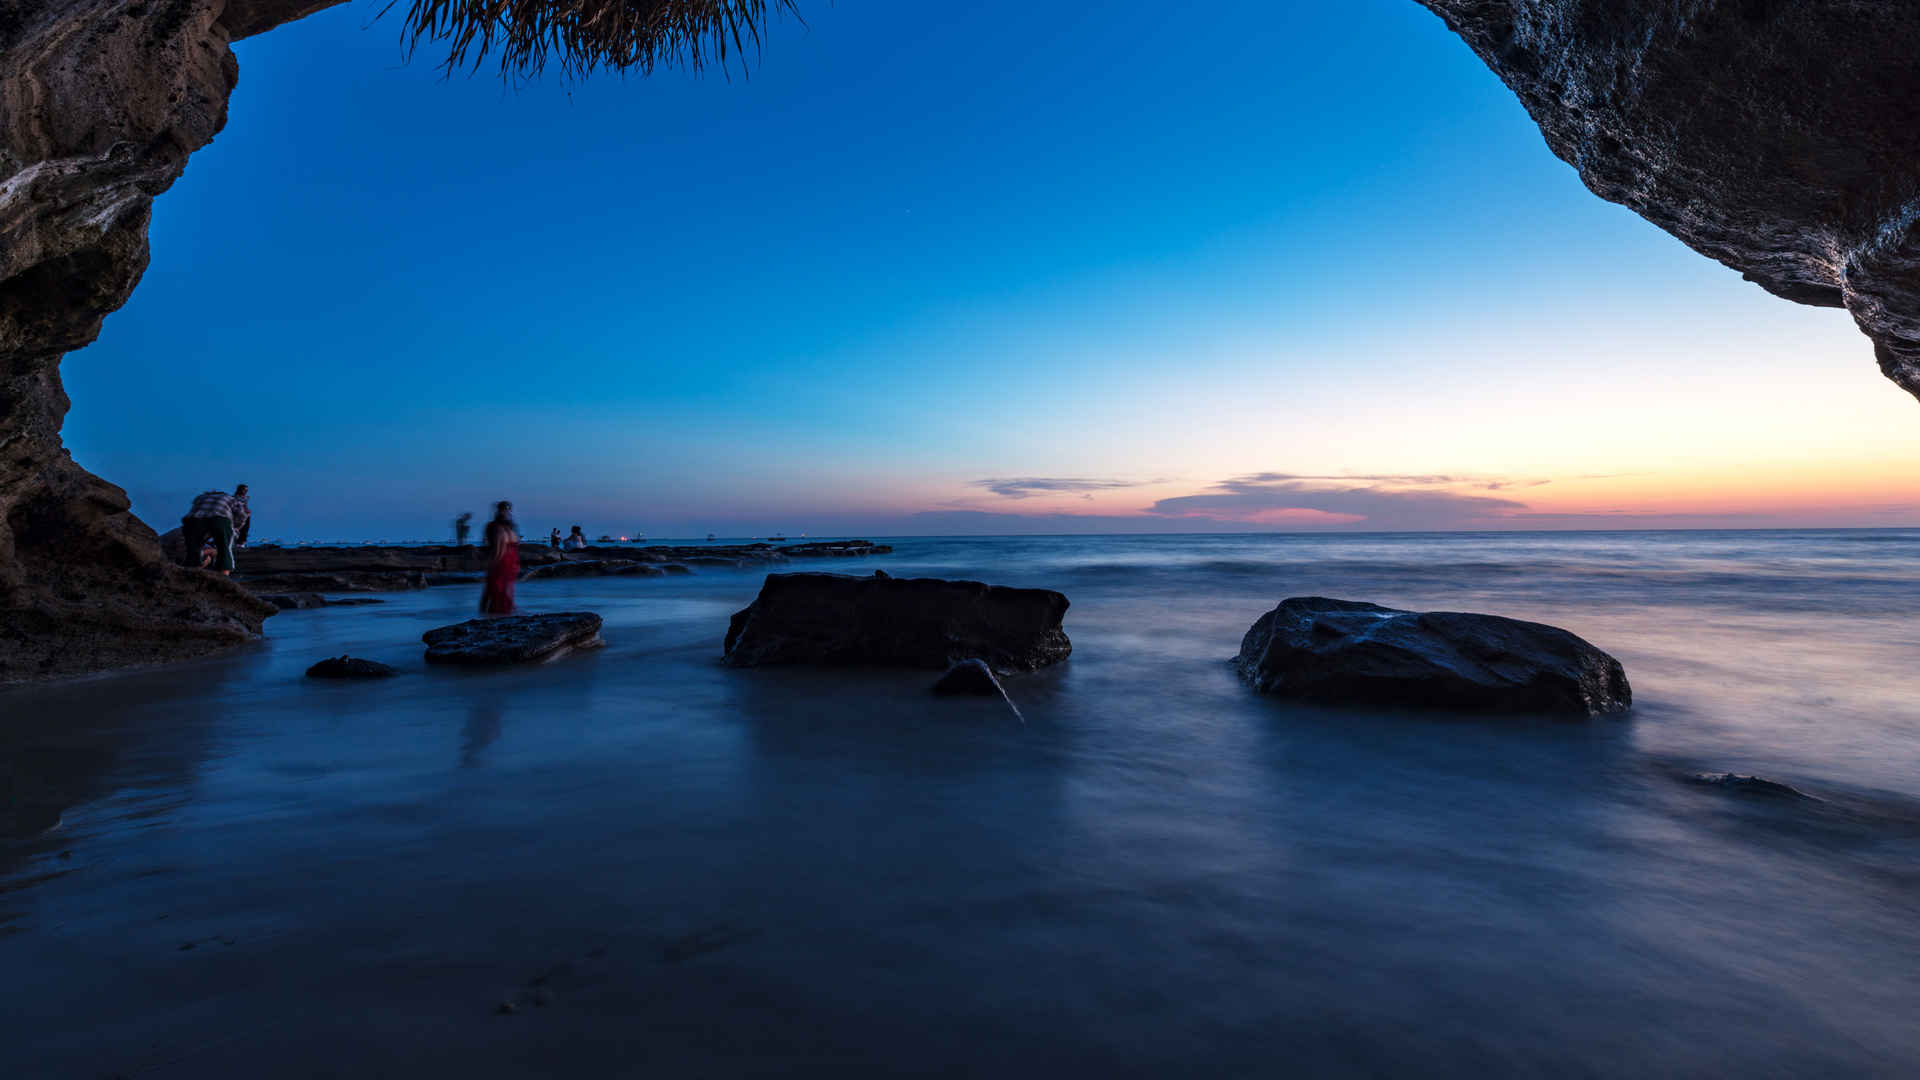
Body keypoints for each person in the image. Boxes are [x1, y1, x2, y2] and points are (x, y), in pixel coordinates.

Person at [180, 489, 239, 575]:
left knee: (193, 549)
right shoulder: (229, 498)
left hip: (192, 519)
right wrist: (236, 526)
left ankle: (191, 573)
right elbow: (242, 512)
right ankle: (224, 575)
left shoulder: (200, 497)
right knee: (224, 548)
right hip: (219, 518)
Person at [480, 501, 518, 615]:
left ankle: (490, 615)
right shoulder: (508, 529)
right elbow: (501, 549)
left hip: (504, 563)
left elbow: (498, 550)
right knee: (501, 590)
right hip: (508, 563)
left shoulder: (498, 528)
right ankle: (498, 614)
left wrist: (490, 564)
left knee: (495, 590)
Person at [231, 483, 252, 549]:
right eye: (244, 490)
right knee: (240, 529)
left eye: (246, 490)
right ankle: (239, 543)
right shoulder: (235, 498)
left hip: (244, 515)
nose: (246, 492)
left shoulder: (244, 498)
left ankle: (241, 542)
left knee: (244, 529)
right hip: (238, 515)